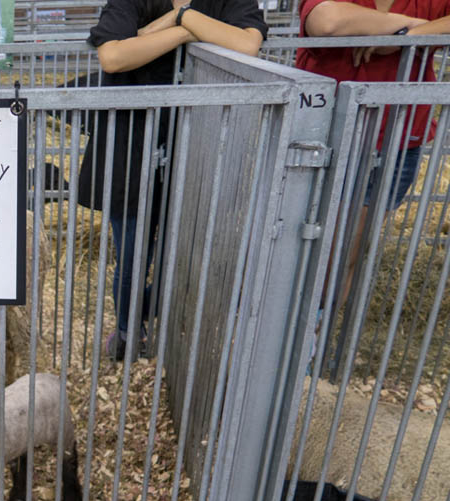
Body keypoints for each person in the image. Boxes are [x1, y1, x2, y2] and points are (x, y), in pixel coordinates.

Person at [83, 0, 267, 361]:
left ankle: (154, 315)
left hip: (198, 150)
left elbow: (247, 44)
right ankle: (128, 331)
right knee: (134, 256)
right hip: (132, 149)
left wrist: (180, 19)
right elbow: (113, 57)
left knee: (183, 252)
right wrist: (190, 30)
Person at [296, 0, 449, 313]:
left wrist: (403, 37)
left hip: (396, 139)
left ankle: (315, 341)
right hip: (325, 138)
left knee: (345, 255)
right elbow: (326, 22)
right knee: (310, 252)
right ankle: (292, 340)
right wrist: (410, 28)